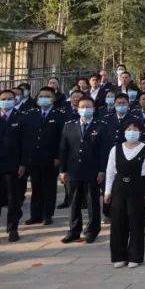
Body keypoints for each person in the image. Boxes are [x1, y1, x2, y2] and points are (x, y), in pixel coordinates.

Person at [104, 120, 145, 268]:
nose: (131, 131)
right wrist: (107, 191)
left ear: (140, 132)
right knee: (118, 223)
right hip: (119, 188)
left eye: (135, 129)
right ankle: (119, 256)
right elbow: (110, 171)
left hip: (137, 189)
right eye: (129, 128)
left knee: (136, 222)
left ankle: (135, 256)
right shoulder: (116, 149)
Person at [59, 98, 108, 244]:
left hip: (92, 171)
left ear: (94, 108)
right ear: (77, 109)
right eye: (82, 107)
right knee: (74, 202)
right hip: (74, 170)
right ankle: (74, 231)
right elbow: (63, 150)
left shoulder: (101, 126)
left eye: (88, 106)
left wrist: (102, 170)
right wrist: (63, 170)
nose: (85, 109)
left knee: (92, 201)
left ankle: (92, 231)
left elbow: (104, 151)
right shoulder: (69, 126)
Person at [22, 87, 65, 226]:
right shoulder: (31, 114)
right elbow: (27, 137)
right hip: (34, 157)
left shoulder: (59, 115)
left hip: (51, 158)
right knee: (36, 187)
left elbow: (62, 139)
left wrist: (58, 157)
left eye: (47, 96)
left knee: (49, 188)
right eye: (41, 96)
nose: (44, 98)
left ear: (53, 98)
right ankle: (36, 215)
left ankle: (47, 215)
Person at [0, 90, 24, 241]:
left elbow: (25, 143)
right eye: (3, 99)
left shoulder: (20, 118)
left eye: (9, 99)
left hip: (13, 165)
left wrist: (23, 163)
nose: (6, 101)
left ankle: (13, 228)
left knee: (12, 198)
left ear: (15, 101)